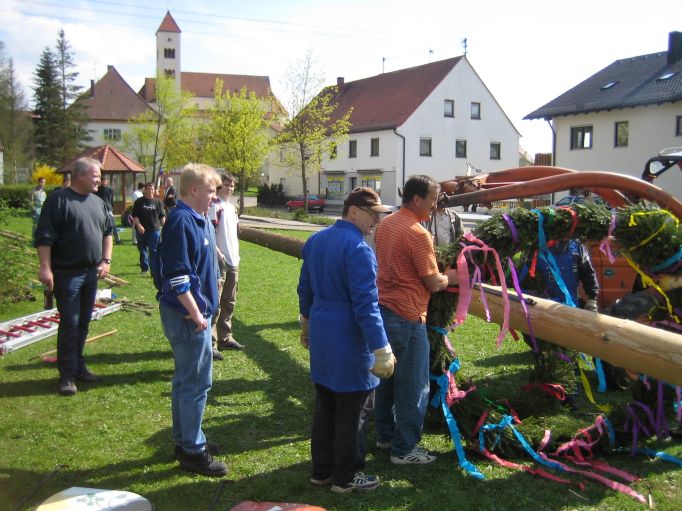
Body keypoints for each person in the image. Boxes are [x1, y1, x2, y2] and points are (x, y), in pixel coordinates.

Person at [298, 187, 396, 493]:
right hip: (350, 339)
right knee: (354, 411)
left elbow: (304, 289)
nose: (376, 222)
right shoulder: (359, 249)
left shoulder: (316, 240)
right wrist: (381, 347)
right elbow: (366, 306)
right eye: (372, 215)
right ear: (353, 211)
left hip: (322, 333)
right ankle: (347, 476)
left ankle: (322, 471)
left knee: (325, 405)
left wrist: (306, 323)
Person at [373, 175, 458, 465]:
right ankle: (404, 449)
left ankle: (385, 436)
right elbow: (433, 282)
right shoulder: (418, 234)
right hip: (409, 317)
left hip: (384, 311)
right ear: (417, 199)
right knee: (413, 385)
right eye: (433, 199)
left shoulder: (386, 224)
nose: (435, 205)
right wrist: (452, 276)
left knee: (386, 379)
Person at [157, 162, 227, 477]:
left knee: (186, 381)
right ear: (195, 189)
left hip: (195, 315)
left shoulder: (198, 218)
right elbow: (177, 274)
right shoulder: (181, 221)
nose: (215, 196)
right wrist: (196, 312)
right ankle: (192, 451)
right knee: (196, 383)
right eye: (211, 191)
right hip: (188, 317)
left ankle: (186, 439)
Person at [34, 158, 113, 396]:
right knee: (70, 322)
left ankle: (78, 366)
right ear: (80, 176)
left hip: (91, 273)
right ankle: (67, 375)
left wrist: (106, 260)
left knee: (83, 321)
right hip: (67, 273)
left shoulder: (98, 202)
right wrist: (45, 268)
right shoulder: (58, 200)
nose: (99, 180)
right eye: (96, 176)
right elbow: (44, 237)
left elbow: (108, 233)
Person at [208, 173, 244, 359]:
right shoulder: (214, 206)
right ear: (219, 186)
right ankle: (211, 343)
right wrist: (218, 253)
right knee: (215, 303)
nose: (229, 188)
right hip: (220, 261)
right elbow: (209, 232)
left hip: (233, 260)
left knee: (229, 302)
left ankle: (225, 337)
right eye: (226, 185)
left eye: (232, 185)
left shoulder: (232, 208)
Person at [132, 182, 165, 275]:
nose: (151, 191)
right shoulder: (139, 202)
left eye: (153, 189)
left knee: (153, 250)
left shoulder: (158, 202)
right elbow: (135, 216)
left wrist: (166, 227)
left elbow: (162, 216)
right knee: (142, 249)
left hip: (154, 230)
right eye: (149, 189)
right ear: (145, 190)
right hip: (141, 230)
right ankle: (144, 268)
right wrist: (139, 226)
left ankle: (154, 272)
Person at [95, 176, 121, 245]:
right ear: (101, 182)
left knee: (113, 224)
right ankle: (100, 239)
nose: (104, 182)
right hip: (100, 208)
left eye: (105, 181)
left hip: (109, 209)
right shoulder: (97, 190)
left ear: (107, 182)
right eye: (103, 181)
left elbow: (111, 200)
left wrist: (111, 207)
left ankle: (117, 239)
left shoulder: (110, 190)